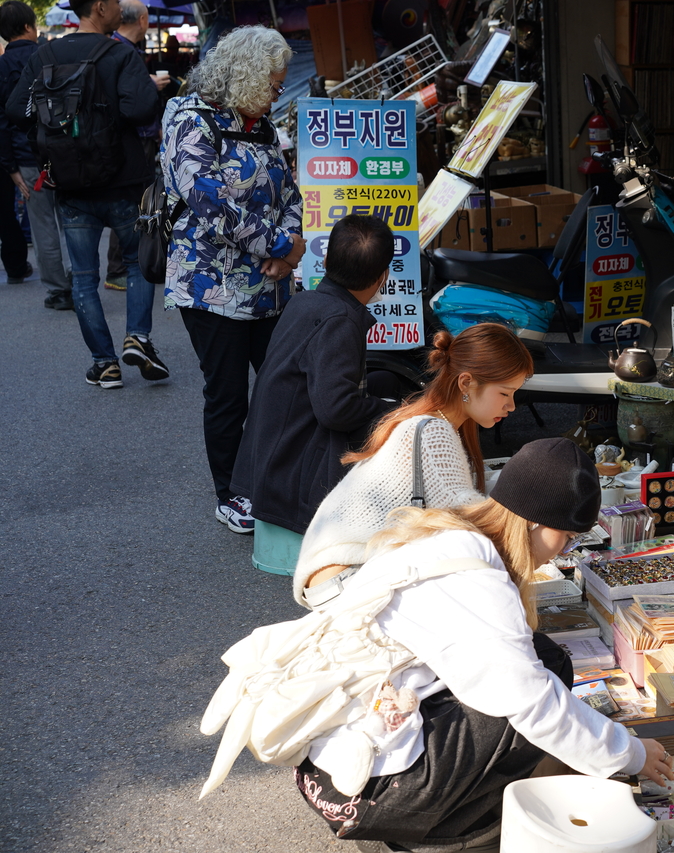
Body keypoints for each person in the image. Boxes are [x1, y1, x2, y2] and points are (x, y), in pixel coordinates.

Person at [289, 438, 673, 849]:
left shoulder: (448, 537)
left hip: (333, 757)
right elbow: (532, 704)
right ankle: (446, 832)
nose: (564, 551)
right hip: (361, 790)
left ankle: (454, 809)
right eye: (566, 538)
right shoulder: (479, 582)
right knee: (521, 703)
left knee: (546, 659)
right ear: (534, 522)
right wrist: (630, 753)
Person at [160, 26, 304, 532]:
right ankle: (233, 493)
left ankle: (274, 479)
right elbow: (210, 205)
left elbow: (291, 195)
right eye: (273, 84)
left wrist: (289, 252)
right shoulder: (188, 119)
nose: (277, 94)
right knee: (227, 394)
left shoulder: (262, 126)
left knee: (280, 386)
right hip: (209, 285)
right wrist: (280, 246)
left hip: (269, 284)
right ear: (246, 76)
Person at [294, 322, 533, 607]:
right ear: (466, 383)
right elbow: (474, 522)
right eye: (505, 393)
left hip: (338, 576)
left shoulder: (432, 422)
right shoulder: (433, 431)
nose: (512, 405)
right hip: (348, 580)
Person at [4, 0, 163, 387]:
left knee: (84, 278)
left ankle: (104, 363)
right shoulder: (117, 54)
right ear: (101, 7)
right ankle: (137, 337)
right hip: (123, 179)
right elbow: (144, 109)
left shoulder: (45, 54)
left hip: (69, 182)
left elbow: (15, 109)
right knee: (136, 261)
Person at [229, 215, 398, 555]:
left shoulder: (307, 302)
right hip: (291, 477)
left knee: (384, 384)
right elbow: (337, 409)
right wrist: (394, 411)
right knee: (394, 418)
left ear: (325, 260)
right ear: (382, 277)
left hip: (267, 459)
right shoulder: (340, 321)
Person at [0, 0, 67, 306]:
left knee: (42, 226)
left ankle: (58, 289)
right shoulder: (51, 56)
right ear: (29, 26)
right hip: (62, 150)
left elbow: (2, 121)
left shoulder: (1, 66)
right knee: (72, 220)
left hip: (25, 158)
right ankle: (80, 278)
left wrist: (10, 167)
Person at [102, 0, 167, 292]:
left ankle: (126, 266)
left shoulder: (120, 49)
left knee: (135, 201)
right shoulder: (120, 51)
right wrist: (150, 86)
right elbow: (128, 101)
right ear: (142, 20)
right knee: (134, 203)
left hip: (137, 136)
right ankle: (123, 268)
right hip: (135, 138)